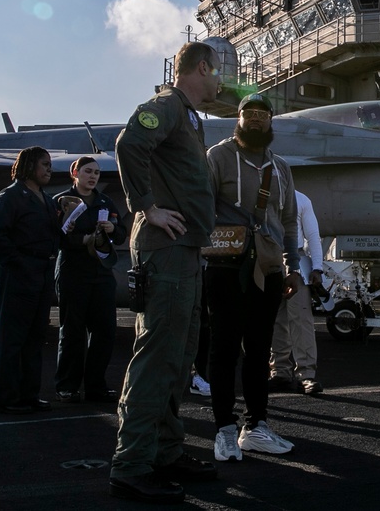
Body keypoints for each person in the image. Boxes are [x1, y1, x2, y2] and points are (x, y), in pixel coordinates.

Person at [109, 41, 222, 504]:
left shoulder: (191, 120)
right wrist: (148, 208)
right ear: (201, 68)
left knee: (178, 359)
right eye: (217, 73)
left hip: (187, 252)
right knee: (157, 360)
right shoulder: (167, 106)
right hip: (166, 251)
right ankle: (132, 463)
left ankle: (165, 451)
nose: (220, 82)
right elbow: (129, 143)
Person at [206, 93, 302, 462]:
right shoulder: (218, 157)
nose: (257, 120)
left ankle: (256, 426)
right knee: (224, 347)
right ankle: (224, 430)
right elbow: (202, 205)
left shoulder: (280, 167)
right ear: (239, 119)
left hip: (268, 266)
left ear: (271, 121)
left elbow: (289, 220)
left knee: (260, 349)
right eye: (250, 114)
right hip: (225, 265)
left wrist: (293, 266)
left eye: (263, 115)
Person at [0, 146, 62, 415]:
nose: (49, 169)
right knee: (12, 340)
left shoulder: (47, 200)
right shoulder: (11, 197)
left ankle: (29, 394)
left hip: (41, 273)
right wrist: (19, 264)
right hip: (18, 275)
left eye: (50, 164)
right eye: (44, 164)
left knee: (34, 338)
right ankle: (6, 397)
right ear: (29, 166)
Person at [52, 156, 126, 404]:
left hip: (101, 272)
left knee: (105, 331)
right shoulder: (62, 202)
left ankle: (96, 386)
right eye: (87, 171)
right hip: (73, 271)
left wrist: (112, 230)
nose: (93, 176)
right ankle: (67, 386)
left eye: (96, 172)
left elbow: (122, 234)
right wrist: (82, 240)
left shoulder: (106, 202)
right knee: (72, 332)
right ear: (75, 172)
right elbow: (54, 237)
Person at [269, 190, 325, 396]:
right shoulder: (262, 194)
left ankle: (306, 374)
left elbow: (312, 235)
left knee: (301, 320)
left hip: (297, 262)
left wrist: (317, 267)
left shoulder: (301, 199)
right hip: (269, 259)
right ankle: (280, 372)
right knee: (275, 320)